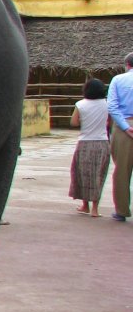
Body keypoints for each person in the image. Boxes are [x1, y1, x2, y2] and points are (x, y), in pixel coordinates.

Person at [69, 78, 111, 217]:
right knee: (98, 175)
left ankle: (85, 205)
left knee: (82, 174)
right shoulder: (107, 104)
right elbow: (110, 122)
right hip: (102, 143)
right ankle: (95, 209)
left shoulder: (80, 104)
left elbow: (73, 122)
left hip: (85, 142)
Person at [108, 51, 133, 222]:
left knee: (122, 171)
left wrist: (125, 126)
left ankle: (122, 210)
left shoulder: (118, 80)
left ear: (127, 65)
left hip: (123, 125)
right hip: (125, 122)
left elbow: (112, 105)